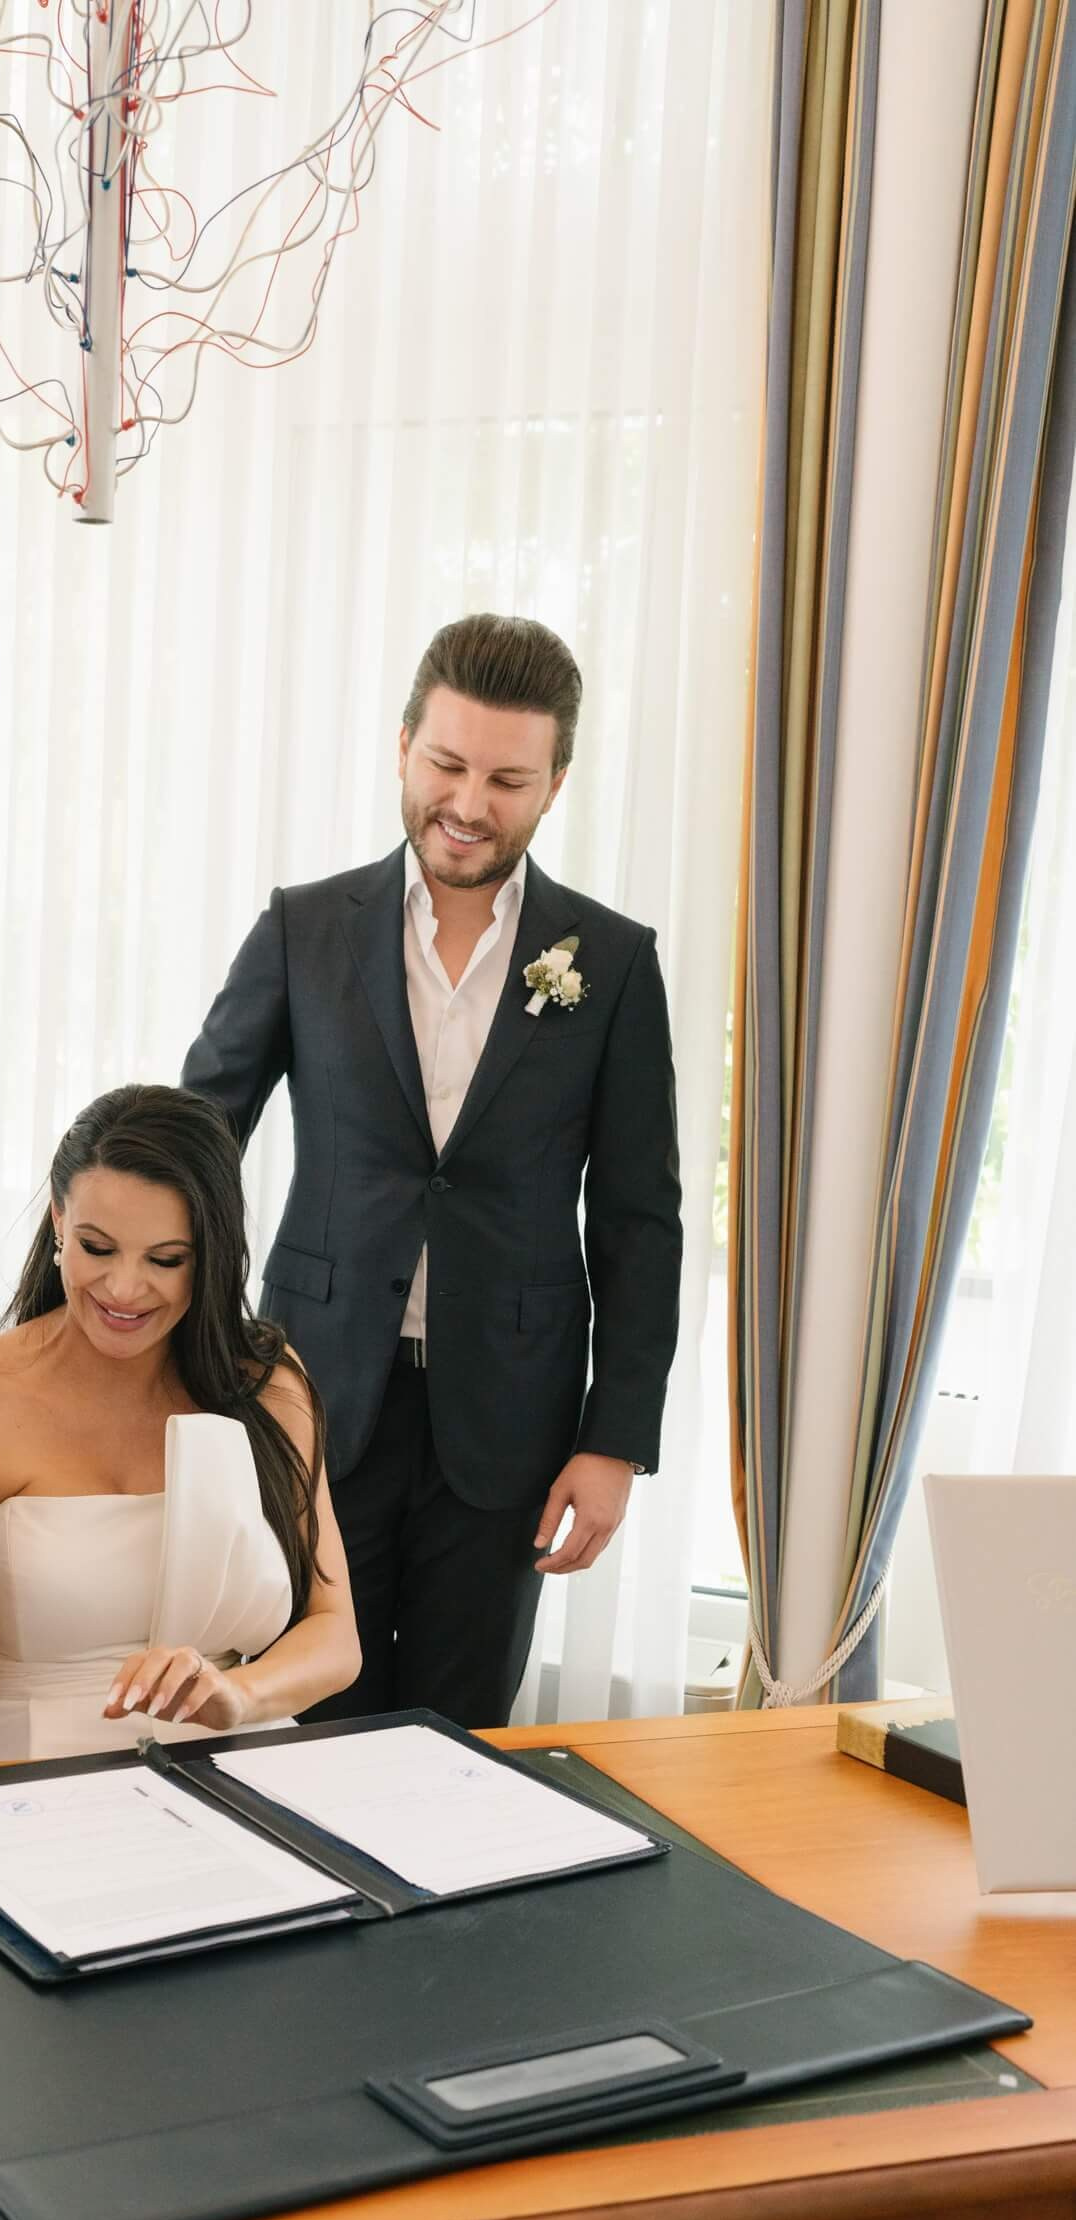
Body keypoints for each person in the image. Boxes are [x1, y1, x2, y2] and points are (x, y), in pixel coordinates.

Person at [181, 613, 683, 1729]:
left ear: (555, 782)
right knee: (303, 1722)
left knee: (459, 1742)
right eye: (447, 763)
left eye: (507, 777)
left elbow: (643, 1221)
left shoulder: (612, 962)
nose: (468, 802)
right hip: (313, 1399)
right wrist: (184, 1343)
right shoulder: (305, 928)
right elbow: (197, 1140)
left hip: (509, 1415)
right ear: (402, 744)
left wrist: (614, 1443)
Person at [0, 1084, 360, 1764]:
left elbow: (335, 1636)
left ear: (209, 1255)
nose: (125, 1290)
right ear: (59, 1220)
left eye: (165, 1260)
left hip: (236, 1765)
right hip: (22, 1792)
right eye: (98, 1247)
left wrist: (239, 1695)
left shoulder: (266, 1385)